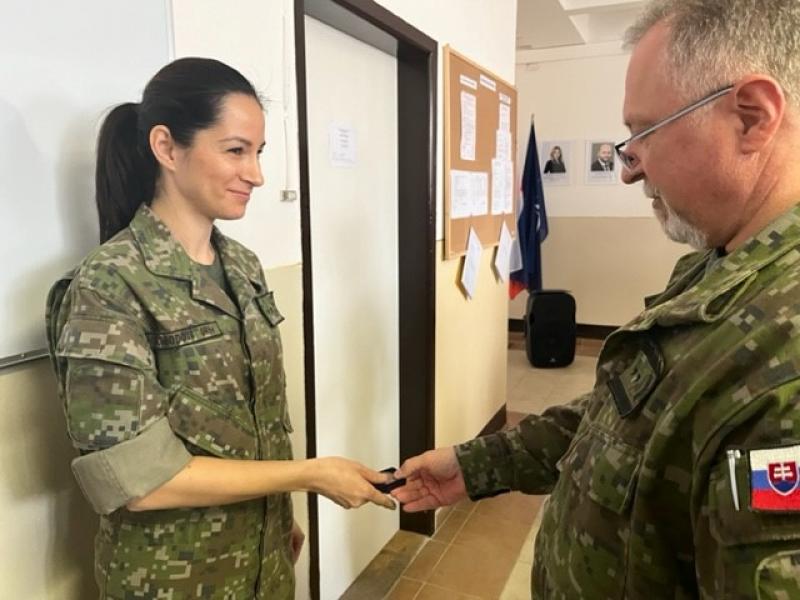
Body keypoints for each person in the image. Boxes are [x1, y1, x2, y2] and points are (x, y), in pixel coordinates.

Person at [391, 1, 800, 597]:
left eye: (645, 133)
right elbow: (622, 414)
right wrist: (475, 466)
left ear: (752, 118)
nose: (629, 170)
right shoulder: (717, 267)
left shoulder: (785, 354)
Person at [45, 57, 395, 599]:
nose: (255, 174)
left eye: (258, 153)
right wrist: (309, 475)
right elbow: (139, 481)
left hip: (261, 561)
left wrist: (278, 519)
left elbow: (259, 420)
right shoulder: (109, 285)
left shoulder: (243, 267)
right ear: (167, 148)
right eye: (235, 151)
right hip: (174, 580)